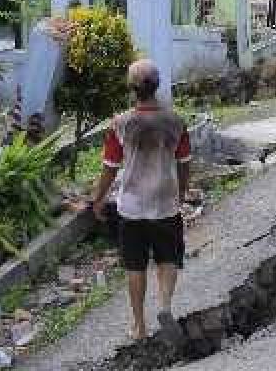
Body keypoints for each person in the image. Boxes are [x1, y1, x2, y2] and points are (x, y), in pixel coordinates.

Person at [91, 60, 191, 342]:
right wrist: (181, 193)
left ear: (132, 88)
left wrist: (97, 199)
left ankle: (139, 326)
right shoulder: (175, 122)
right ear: (156, 86)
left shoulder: (121, 124)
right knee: (168, 258)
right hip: (165, 203)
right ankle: (165, 306)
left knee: (135, 267)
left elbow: (110, 167)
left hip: (132, 207)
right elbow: (184, 163)